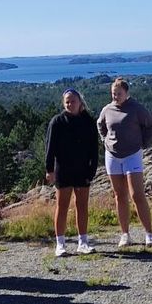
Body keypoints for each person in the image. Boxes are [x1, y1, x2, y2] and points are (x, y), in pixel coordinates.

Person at [97, 77, 152, 248]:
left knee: (137, 194)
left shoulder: (136, 108)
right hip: (112, 156)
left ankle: (149, 234)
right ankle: (125, 234)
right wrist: (105, 140)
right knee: (119, 195)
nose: (116, 96)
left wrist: (144, 143)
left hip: (132, 154)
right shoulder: (107, 109)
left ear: (127, 93)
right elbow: (100, 124)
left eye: (119, 93)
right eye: (113, 94)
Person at [44, 89, 100, 256]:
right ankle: (60, 244)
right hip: (63, 170)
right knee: (62, 207)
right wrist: (49, 170)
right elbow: (50, 147)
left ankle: (83, 242)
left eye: (73, 101)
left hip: (82, 170)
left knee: (82, 206)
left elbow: (94, 149)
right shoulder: (57, 122)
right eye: (67, 101)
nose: (70, 104)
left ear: (80, 102)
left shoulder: (88, 122)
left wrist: (92, 170)